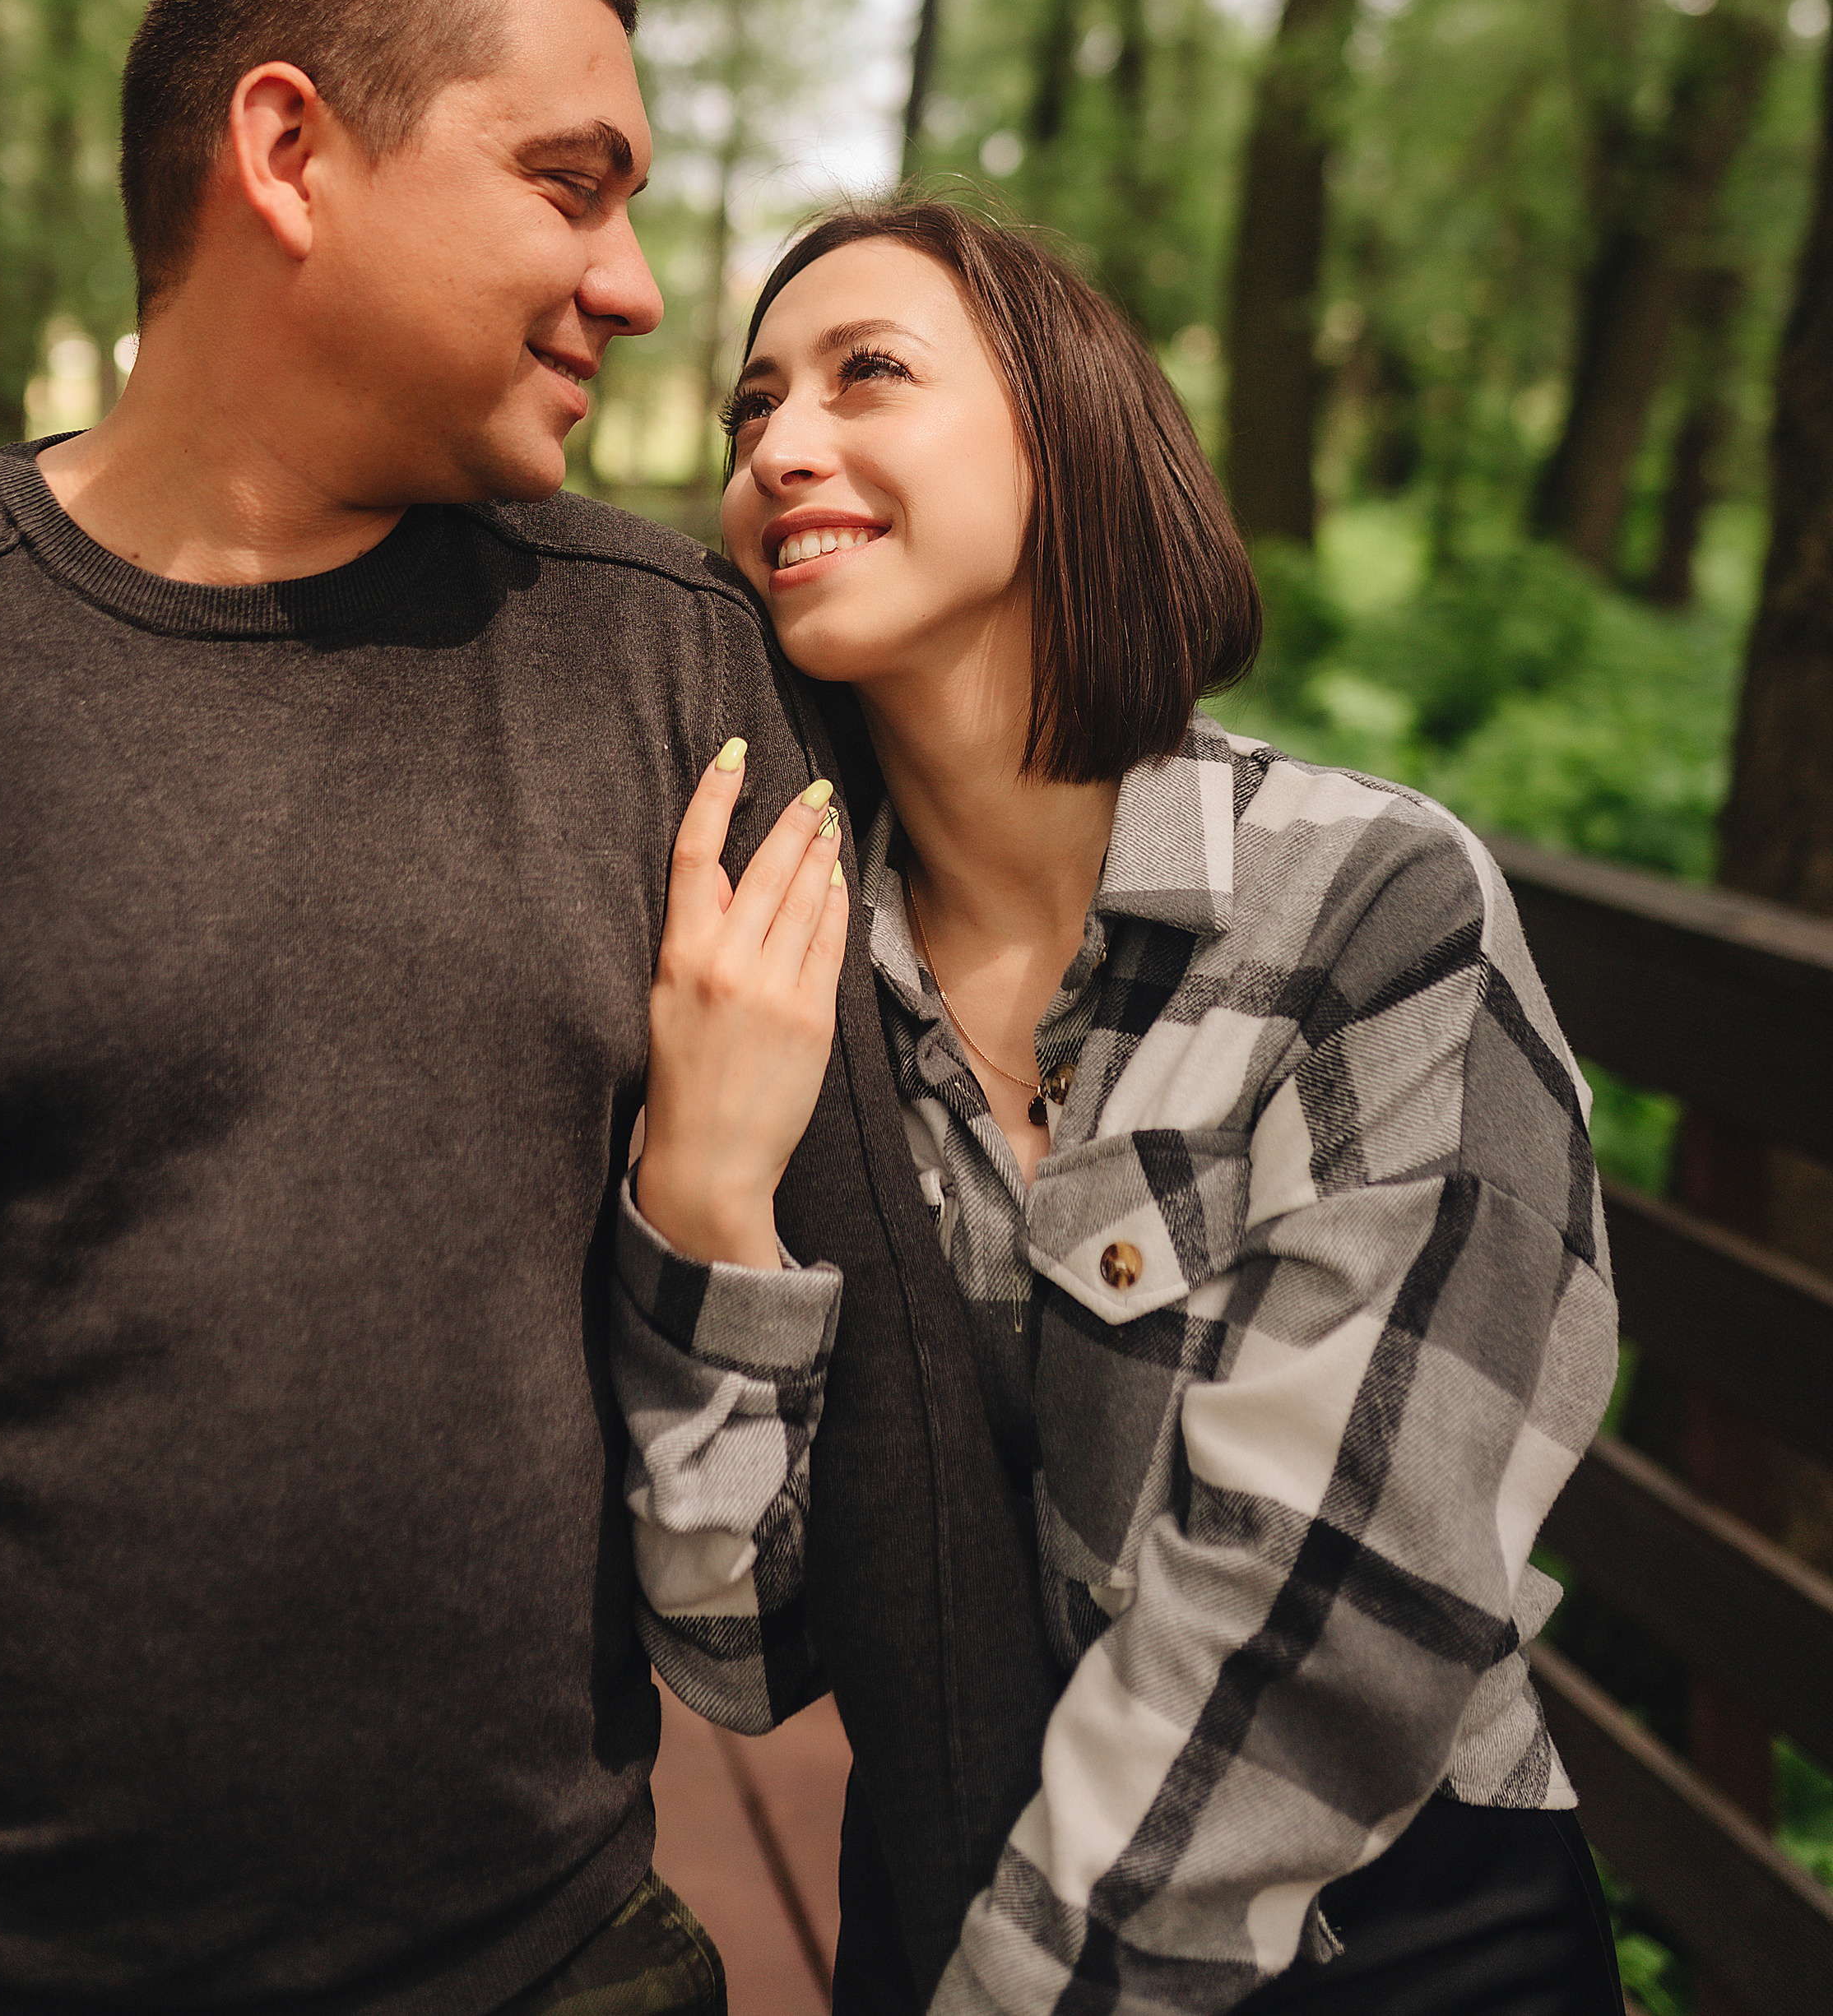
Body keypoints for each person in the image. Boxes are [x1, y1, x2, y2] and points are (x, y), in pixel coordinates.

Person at [0, 0, 901, 2016]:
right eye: (571, 181)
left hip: (536, 1958)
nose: (639, 282)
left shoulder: (671, 670)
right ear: (289, 148)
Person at [615, 197, 1624, 2016]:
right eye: (746, 410)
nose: (776, 445)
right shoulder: (793, 971)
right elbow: (745, 1645)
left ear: (1061, 438)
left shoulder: (1363, 906)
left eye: (867, 374)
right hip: (945, 1891)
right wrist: (703, 1193)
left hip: (1378, 1933)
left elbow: (1336, 1621)